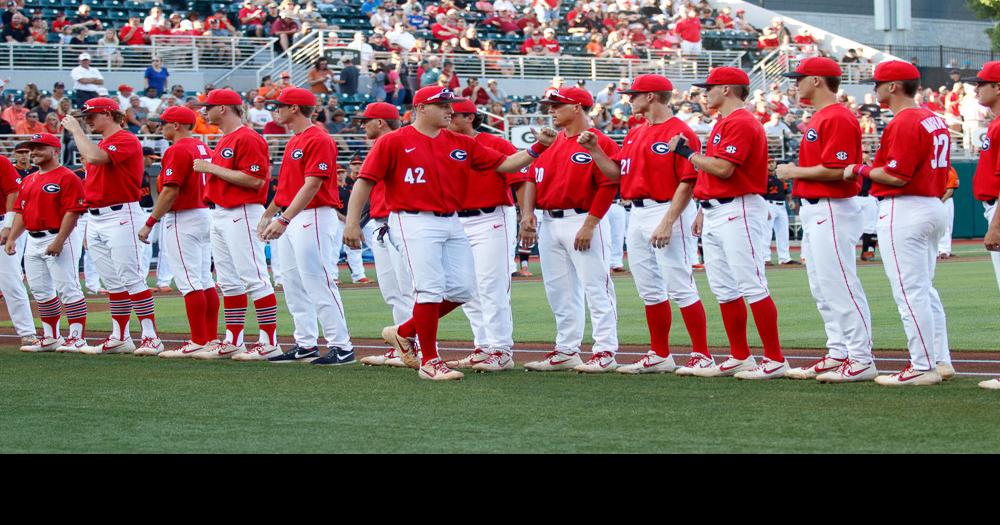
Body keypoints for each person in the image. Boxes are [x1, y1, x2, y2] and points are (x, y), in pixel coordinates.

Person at [343, 86, 555, 380]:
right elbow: (364, 182)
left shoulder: (459, 142)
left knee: (463, 289)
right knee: (429, 289)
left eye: (450, 104)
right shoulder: (393, 141)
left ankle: (403, 333)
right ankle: (430, 361)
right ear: (420, 108)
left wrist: (537, 148)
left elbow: (505, 164)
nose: (450, 110)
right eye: (442, 104)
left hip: (452, 220)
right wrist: (352, 222)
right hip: (412, 218)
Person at [579, 74, 711, 374]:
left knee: (681, 285)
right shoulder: (635, 133)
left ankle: (702, 354)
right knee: (649, 289)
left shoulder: (681, 132)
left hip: (667, 208)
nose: (629, 98)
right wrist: (596, 151)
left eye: (634, 94)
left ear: (651, 96)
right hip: (636, 212)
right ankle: (659, 353)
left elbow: (688, 182)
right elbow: (616, 177)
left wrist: (667, 222)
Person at [666, 66, 788, 379]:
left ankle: (774, 358)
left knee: (751, 283)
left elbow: (723, 169)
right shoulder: (726, 121)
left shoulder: (743, 121)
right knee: (723, 288)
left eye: (710, 87)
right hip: (718, 209)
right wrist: (704, 209)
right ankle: (740, 355)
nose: (704, 92)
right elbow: (718, 173)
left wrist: (686, 153)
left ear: (727, 89)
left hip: (740, 208)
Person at [844, 60, 953, 386]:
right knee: (924, 290)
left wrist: (859, 170)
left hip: (906, 207)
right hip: (933, 204)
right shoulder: (934, 117)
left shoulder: (905, 121)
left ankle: (922, 366)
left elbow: (895, 175)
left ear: (893, 86)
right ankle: (941, 360)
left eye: (877, 83)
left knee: (910, 293)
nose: (874, 89)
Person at [776, 57, 876, 382]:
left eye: (800, 77)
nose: (796, 83)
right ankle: (838, 352)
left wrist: (794, 172)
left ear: (817, 80)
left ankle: (860, 358)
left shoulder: (838, 116)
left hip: (833, 207)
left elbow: (838, 169)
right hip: (817, 207)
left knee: (840, 284)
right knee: (822, 287)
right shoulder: (821, 116)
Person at [518, 86, 622, 373]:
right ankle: (566, 349)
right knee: (559, 290)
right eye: (550, 105)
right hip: (550, 221)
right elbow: (531, 178)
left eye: (557, 105)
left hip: (584, 218)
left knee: (596, 286)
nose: (551, 110)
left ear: (577, 107)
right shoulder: (551, 142)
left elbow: (609, 184)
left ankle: (605, 350)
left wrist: (590, 224)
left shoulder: (598, 141)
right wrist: (528, 214)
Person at [258, 87, 354, 365]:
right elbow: (289, 186)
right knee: (292, 281)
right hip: (292, 213)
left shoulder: (318, 138)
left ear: (295, 109)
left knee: (317, 279)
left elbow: (313, 184)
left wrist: (284, 218)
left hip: (312, 214)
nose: (276, 110)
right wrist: (270, 212)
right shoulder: (294, 140)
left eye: (280, 106)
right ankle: (306, 343)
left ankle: (342, 346)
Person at [61, 98, 163, 355]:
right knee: (113, 282)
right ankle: (120, 336)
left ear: (108, 114)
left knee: (131, 277)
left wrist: (76, 130)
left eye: (92, 116)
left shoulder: (125, 138)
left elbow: (95, 157)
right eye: (85, 118)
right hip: (97, 216)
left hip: (122, 214)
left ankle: (151, 337)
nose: (87, 121)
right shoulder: (106, 141)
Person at [191, 89, 281, 360]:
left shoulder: (248, 137)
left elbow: (255, 180)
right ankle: (233, 340)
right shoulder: (226, 138)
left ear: (223, 109)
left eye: (210, 106)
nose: (205, 111)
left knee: (254, 277)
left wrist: (211, 168)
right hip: (220, 212)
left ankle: (269, 341)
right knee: (228, 282)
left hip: (241, 211)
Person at [441, 99, 528, 372]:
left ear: (469, 117)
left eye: (452, 114)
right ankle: (483, 347)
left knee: (492, 285)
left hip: (492, 216)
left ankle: (501, 349)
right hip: (456, 220)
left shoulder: (497, 144)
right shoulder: (443, 145)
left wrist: (526, 215)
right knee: (466, 287)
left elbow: (521, 180)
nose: (447, 117)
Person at [135, 107, 220, 358]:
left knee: (190, 282)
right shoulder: (203, 147)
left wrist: (150, 221)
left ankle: (198, 340)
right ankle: (210, 339)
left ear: (178, 125)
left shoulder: (177, 149)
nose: (161, 127)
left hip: (184, 216)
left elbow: (170, 190)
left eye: (165, 123)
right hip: (204, 213)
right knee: (204, 280)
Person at [7, 133, 89, 353]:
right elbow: (21, 212)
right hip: (33, 239)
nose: (34, 152)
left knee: (68, 288)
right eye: (32, 148)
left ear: (55, 150)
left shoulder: (67, 176)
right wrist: (13, 238)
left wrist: (60, 240)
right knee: (40, 291)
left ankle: (77, 338)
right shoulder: (28, 179)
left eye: (40, 147)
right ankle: (51, 337)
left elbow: (73, 211)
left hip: (58, 235)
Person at [353, 103, 415, 367]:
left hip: (397, 221)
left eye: (366, 121)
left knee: (407, 289)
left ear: (380, 122)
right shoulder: (384, 144)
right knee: (394, 291)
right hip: (381, 222)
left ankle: (418, 345)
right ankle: (403, 345)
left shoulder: (396, 142)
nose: (362, 125)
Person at [0, 151, 38, 349]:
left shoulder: (1, 162)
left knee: (11, 280)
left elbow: (12, 193)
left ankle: (28, 333)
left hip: (0, 223)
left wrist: (8, 225)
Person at [761, 159, 795, 265]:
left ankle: (784, 258)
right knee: (766, 232)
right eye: (769, 162)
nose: (771, 164)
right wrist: (764, 209)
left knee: (783, 232)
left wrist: (790, 201)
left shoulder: (780, 177)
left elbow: (786, 191)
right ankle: (765, 258)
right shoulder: (763, 177)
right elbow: (759, 194)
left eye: (773, 162)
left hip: (781, 205)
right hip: (768, 204)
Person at [938, 165, 959, 258]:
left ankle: (946, 250)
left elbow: (950, 190)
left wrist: (940, 201)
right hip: (938, 200)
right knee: (944, 226)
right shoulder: (934, 168)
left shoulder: (950, 169)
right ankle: (942, 250)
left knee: (948, 225)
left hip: (945, 200)